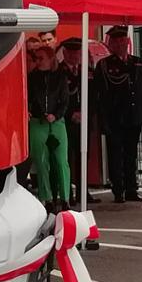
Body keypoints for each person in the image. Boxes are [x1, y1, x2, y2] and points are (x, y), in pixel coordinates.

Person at [95, 25, 142, 203]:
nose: (120, 44)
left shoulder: (136, 62)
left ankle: (131, 188)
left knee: (131, 155)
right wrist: (103, 120)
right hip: (115, 118)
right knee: (115, 155)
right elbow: (101, 96)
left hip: (133, 116)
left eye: (123, 41)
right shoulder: (105, 65)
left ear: (127, 42)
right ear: (111, 44)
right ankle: (118, 190)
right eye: (116, 42)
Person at [25, 32, 72, 211]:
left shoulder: (60, 76)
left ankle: (65, 196)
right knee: (41, 160)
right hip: (38, 122)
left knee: (61, 160)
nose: (38, 61)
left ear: (50, 58)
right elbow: (28, 98)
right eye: (36, 58)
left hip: (56, 122)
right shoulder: (32, 77)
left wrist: (56, 114)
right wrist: (29, 111)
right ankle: (47, 197)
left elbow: (65, 100)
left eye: (41, 58)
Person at [58, 37, 98, 205]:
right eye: (71, 52)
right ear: (65, 53)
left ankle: (83, 191)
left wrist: (86, 113)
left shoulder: (86, 71)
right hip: (66, 121)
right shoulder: (59, 71)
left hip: (84, 120)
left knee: (83, 156)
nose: (74, 56)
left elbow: (94, 96)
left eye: (77, 53)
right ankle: (67, 193)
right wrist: (70, 114)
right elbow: (59, 98)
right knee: (66, 158)